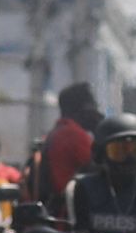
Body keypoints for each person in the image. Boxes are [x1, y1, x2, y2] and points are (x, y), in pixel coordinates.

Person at [32, 82, 102, 221]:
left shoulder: (60, 131)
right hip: (69, 218)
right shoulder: (73, 134)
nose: (97, 111)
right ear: (85, 108)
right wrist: (101, 130)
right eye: (94, 105)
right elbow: (103, 172)